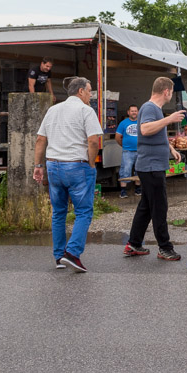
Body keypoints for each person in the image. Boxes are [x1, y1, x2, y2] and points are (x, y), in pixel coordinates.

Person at [34, 77, 103, 273]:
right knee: (83, 211)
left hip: (53, 166)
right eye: (89, 91)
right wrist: (91, 163)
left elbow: (40, 140)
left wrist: (38, 165)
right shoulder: (86, 111)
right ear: (80, 91)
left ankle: (59, 256)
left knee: (58, 212)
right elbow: (93, 141)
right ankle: (72, 253)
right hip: (77, 166)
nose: (90, 95)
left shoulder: (53, 110)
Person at [123, 77, 185, 261]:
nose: (171, 95)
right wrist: (169, 119)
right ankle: (165, 247)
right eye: (171, 92)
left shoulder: (153, 109)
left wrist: (171, 149)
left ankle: (134, 243)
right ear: (166, 91)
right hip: (151, 166)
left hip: (151, 165)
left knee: (147, 207)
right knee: (159, 207)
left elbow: (156, 133)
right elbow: (145, 129)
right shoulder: (150, 108)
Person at [114, 104, 141, 198]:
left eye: (135, 111)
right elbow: (117, 137)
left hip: (140, 151)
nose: (134, 112)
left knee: (139, 170)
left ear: (138, 112)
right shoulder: (123, 123)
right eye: (132, 111)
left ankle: (138, 190)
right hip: (128, 151)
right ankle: (123, 191)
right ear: (128, 112)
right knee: (125, 170)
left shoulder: (141, 122)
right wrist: (124, 145)